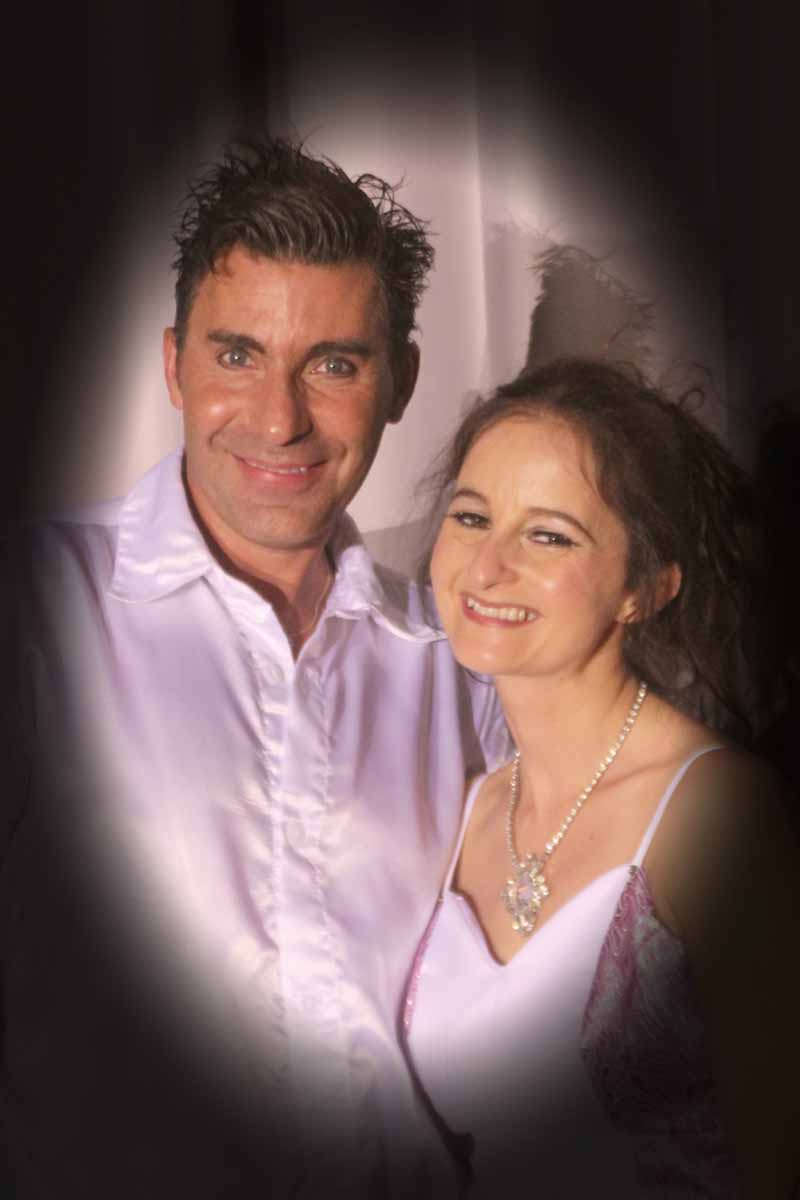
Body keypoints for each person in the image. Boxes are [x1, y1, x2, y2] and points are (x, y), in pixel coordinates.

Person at [1, 139, 509, 1198]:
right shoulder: (35, 611)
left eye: (334, 364)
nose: (279, 419)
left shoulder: (469, 660)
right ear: (173, 365)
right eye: (237, 355)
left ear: (401, 382)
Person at [404, 357, 799, 1197]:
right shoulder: (471, 807)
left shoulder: (717, 811)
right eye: (471, 517)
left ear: (644, 589)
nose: (486, 566)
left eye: (549, 535)